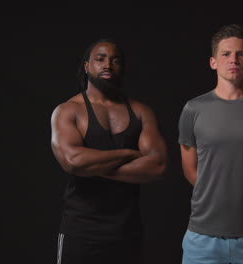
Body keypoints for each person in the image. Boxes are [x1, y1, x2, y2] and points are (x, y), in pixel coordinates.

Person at [50, 38, 168, 264]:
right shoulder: (68, 110)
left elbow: (158, 166)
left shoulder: (141, 112)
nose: (108, 65)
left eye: (115, 60)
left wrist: (92, 166)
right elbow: (73, 161)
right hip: (80, 232)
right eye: (100, 59)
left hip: (127, 232)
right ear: (87, 66)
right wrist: (128, 154)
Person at [178, 24, 243, 264]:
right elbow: (191, 171)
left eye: (241, 54)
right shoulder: (193, 109)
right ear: (213, 62)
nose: (233, 59)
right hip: (203, 237)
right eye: (226, 54)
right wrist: (218, 192)